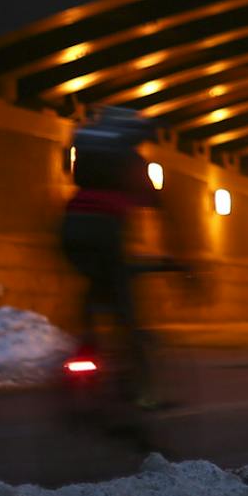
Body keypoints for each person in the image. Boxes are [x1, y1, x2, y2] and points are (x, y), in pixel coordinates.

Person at [61, 107, 161, 392]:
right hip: (107, 233)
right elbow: (161, 209)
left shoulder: (87, 161)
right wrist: (183, 264)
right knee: (127, 314)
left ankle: (85, 350)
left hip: (70, 229)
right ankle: (142, 395)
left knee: (93, 285)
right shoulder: (132, 162)